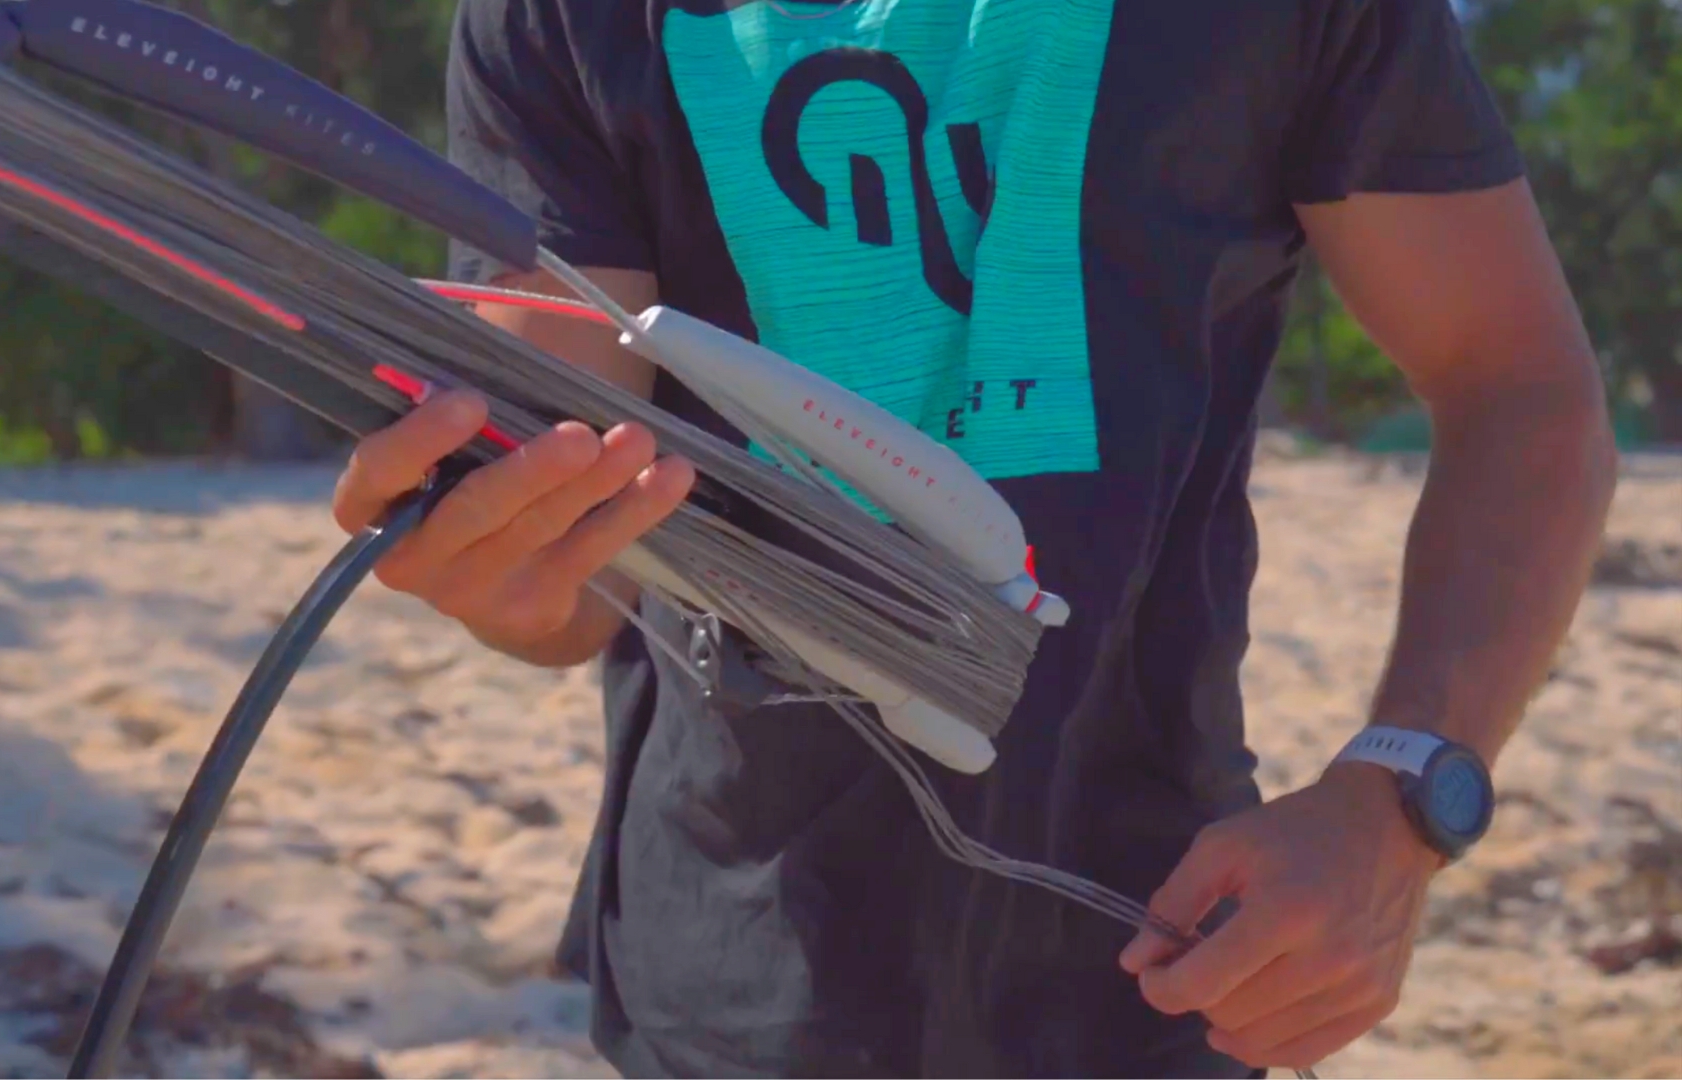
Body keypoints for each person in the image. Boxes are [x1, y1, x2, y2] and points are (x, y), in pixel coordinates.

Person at [330, 0, 1619, 1073]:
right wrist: (500, 565)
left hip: (1165, 952)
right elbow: (565, 556)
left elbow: (1518, 387)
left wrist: (1397, 804)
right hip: (729, 971)